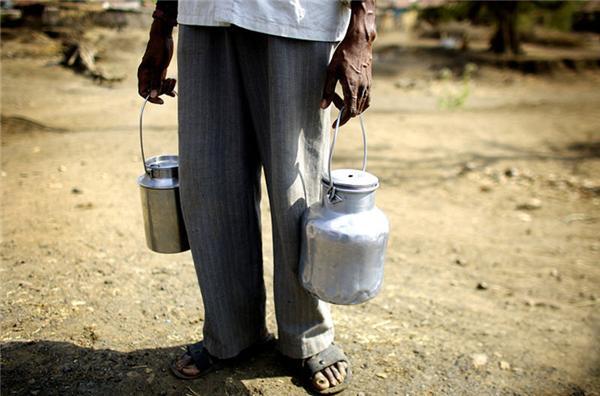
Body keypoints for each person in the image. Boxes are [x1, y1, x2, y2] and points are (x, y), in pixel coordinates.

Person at [137, 0, 375, 393]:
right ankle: (231, 331)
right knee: (210, 186)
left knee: (296, 192)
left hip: (297, 18)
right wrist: (162, 24)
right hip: (205, 16)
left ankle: (306, 336)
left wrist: (363, 28)